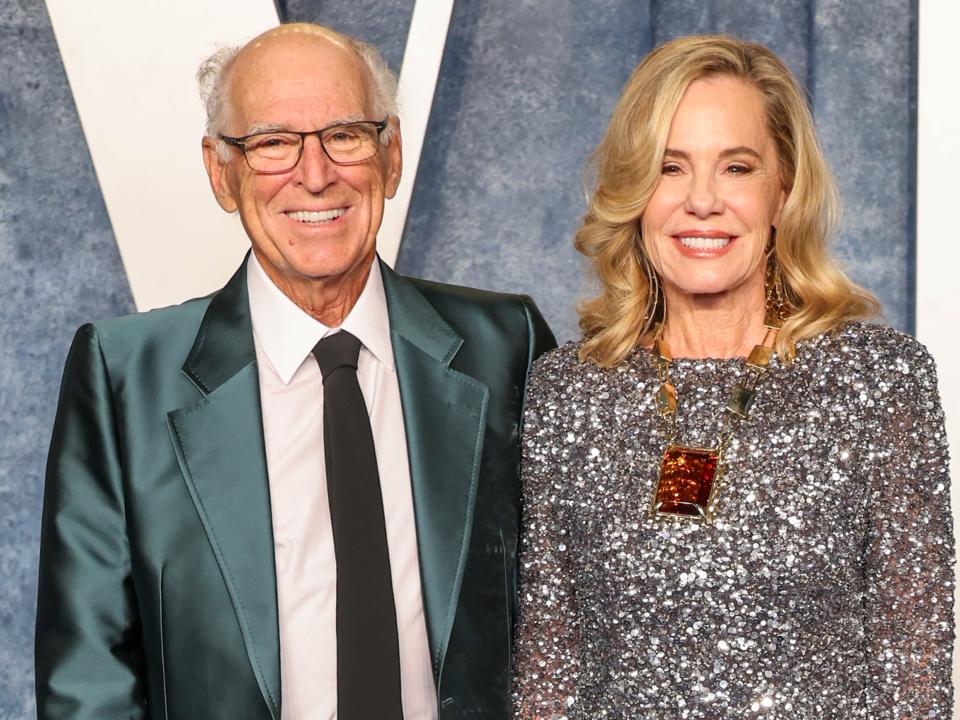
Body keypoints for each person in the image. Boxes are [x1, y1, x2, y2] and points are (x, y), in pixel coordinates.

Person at [35, 22, 555, 720]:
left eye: (344, 134)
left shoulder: (506, 347)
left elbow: (575, 615)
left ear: (390, 155)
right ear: (223, 172)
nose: (316, 175)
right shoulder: (125, 376)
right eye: (274, 142)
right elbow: (87, 685)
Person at [512, 34, 953, 718]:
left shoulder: (881, 382)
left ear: (784, 189)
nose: (703, 202)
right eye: (671, 168)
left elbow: (915, 674)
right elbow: (549, 666)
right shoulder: (566, 393)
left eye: (737, 167)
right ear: (635, 191)